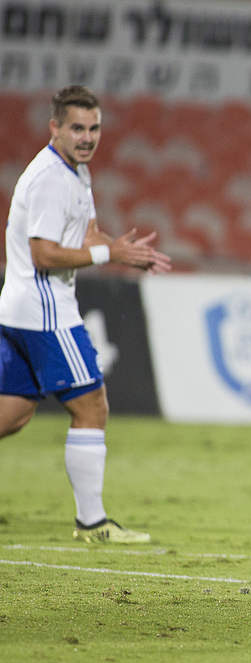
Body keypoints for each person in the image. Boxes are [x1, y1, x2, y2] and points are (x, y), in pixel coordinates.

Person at [0, 85, 171, 543]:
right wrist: (106, 253)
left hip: (18, 309)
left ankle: (92, 521)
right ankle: (92, 524)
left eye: (94, 128)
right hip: (46, 312)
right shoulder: (51, 179)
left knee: (11, 416)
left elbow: (90, 231)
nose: (88, 137)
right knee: (92, 406)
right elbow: (43, 254)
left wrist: (120, 250)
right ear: (54, 127)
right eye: (77, 127)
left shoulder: (75, 171)